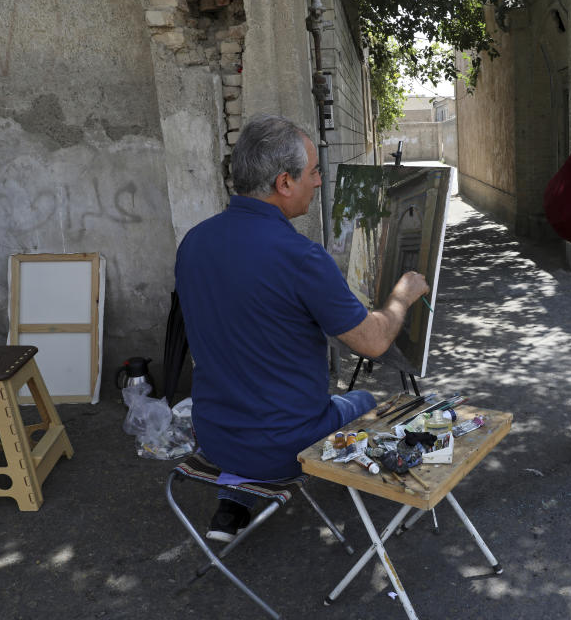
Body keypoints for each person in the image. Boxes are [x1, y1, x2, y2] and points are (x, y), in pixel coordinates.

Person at [174, 114, 429, 540]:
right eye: (312, 173)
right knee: (363, 397)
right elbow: (373, 342)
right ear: (284, 183)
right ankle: (370, 524)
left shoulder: (194, 241)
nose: (318, 182)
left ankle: (232, 507)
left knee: (258, 397)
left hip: (214, 436)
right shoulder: (300, 257)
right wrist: (401, 295)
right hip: (284, 447)